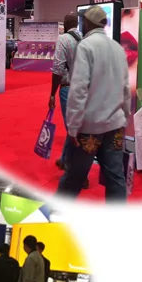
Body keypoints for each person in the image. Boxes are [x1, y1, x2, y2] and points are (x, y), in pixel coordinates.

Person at [59, 6, 131, 200]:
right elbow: (126, 87)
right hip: (115, 124)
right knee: (115, 177)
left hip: (90, 126)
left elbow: (79, 89)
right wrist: (125, 116)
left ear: (88, 23)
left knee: (74, 177)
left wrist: (73, 126)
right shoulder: (117, 48)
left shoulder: (86, 46)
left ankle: (56, 213)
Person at [48, 12, 82, 174]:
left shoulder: (63, 39)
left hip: (68, 88)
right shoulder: (84, 39)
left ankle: (76, 168)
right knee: (76, 126)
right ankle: (65, 159)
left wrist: (52, 94)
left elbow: (58, 69)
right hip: (84, 88)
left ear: (66, 23)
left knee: (72, 128)